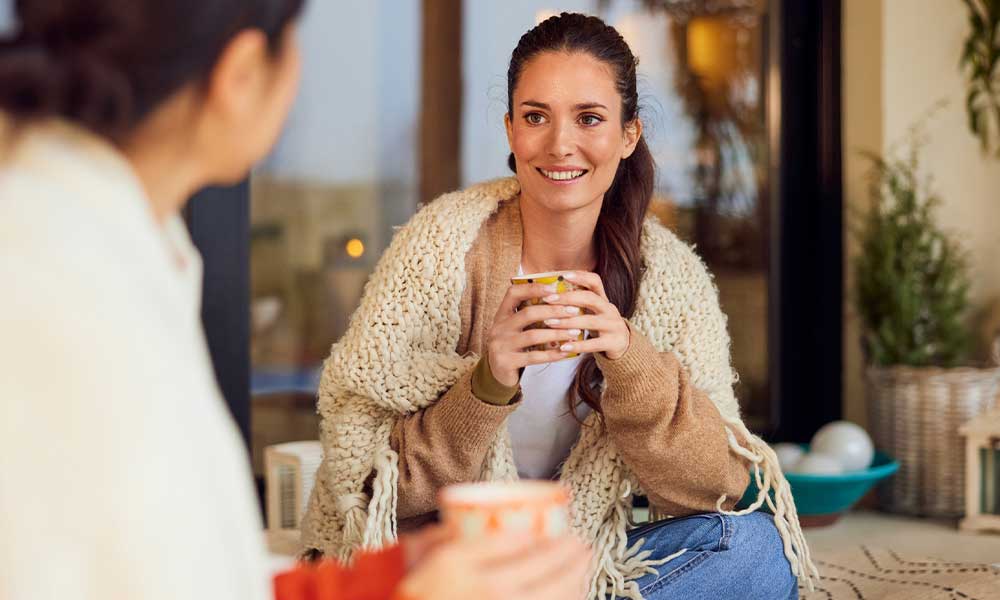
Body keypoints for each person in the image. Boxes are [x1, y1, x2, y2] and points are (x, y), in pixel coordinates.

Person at [0, 2, 589, 600]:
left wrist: (387, 577)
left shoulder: (117, 239)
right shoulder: (57, 288)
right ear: (243, 73)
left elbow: (186, 573)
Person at [302, 12, 817, 600]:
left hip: (575, 566)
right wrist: (486, 384)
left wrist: (630, 359)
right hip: (446, 565)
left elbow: (717, 487)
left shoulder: (671, 280)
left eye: (589, 118)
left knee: (752, 549)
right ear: (510, 130)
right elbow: (370, 493)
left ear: (629, 136)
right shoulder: (441, 249)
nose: (559, 144)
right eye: (535, 117)